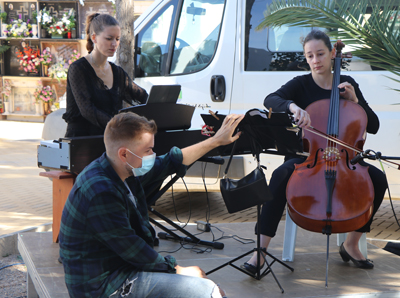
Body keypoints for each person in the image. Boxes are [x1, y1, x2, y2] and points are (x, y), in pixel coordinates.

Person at [241, 29, 388, 274]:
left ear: (332, 53)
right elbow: (271, 99)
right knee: (280, 176)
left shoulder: (347, 85)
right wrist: (292, 106)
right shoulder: (300, 84)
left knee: (378, 179)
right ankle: (260, 251)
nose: (316, 60)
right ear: (306, 58)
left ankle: (351, 244)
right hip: (307, 158)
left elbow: (372, 125)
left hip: (344, 159)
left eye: (320, 54)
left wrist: (355, 102)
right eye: (310, 56)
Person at [59, 112, 244, 298]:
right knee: (208, 291)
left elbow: (170, 162)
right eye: (148, 150)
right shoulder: (100, 191)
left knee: (208, 288)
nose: (152, 155)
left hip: (119, 269)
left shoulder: (122, 169)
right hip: (104, 287)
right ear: (124, 154)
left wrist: (216, 141)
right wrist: (178, 269)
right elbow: (133, 250)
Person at [62, 13, 148, 137]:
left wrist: (162, 103)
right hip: (82, 142)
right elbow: (87, 110)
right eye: (109, 38)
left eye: (117, 39)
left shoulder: (118, 72)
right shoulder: (78, 69)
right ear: (94, 38)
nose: (114, 44)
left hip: (110, 140)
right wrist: (119, 126)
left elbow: (142, 95)